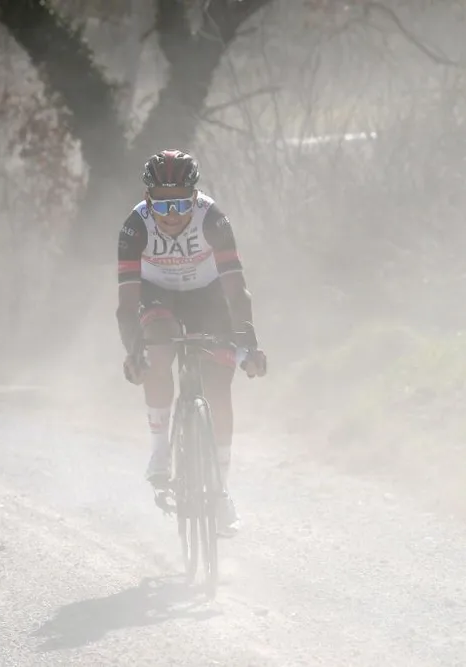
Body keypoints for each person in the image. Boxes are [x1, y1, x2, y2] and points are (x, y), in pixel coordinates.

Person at [116, 149, 268, 538]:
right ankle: (159, 451)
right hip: (157, 294)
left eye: (181, 203)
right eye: (162, 204)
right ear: (148, 200)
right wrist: (134, 352)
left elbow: (237, 290)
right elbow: (126, 306)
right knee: (158, 348)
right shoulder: (135, 227)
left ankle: (221, 494)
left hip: (208, 294)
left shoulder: (212, 219)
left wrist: (248, 342)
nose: (171, 214)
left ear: (195, 197)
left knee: (219, 385)